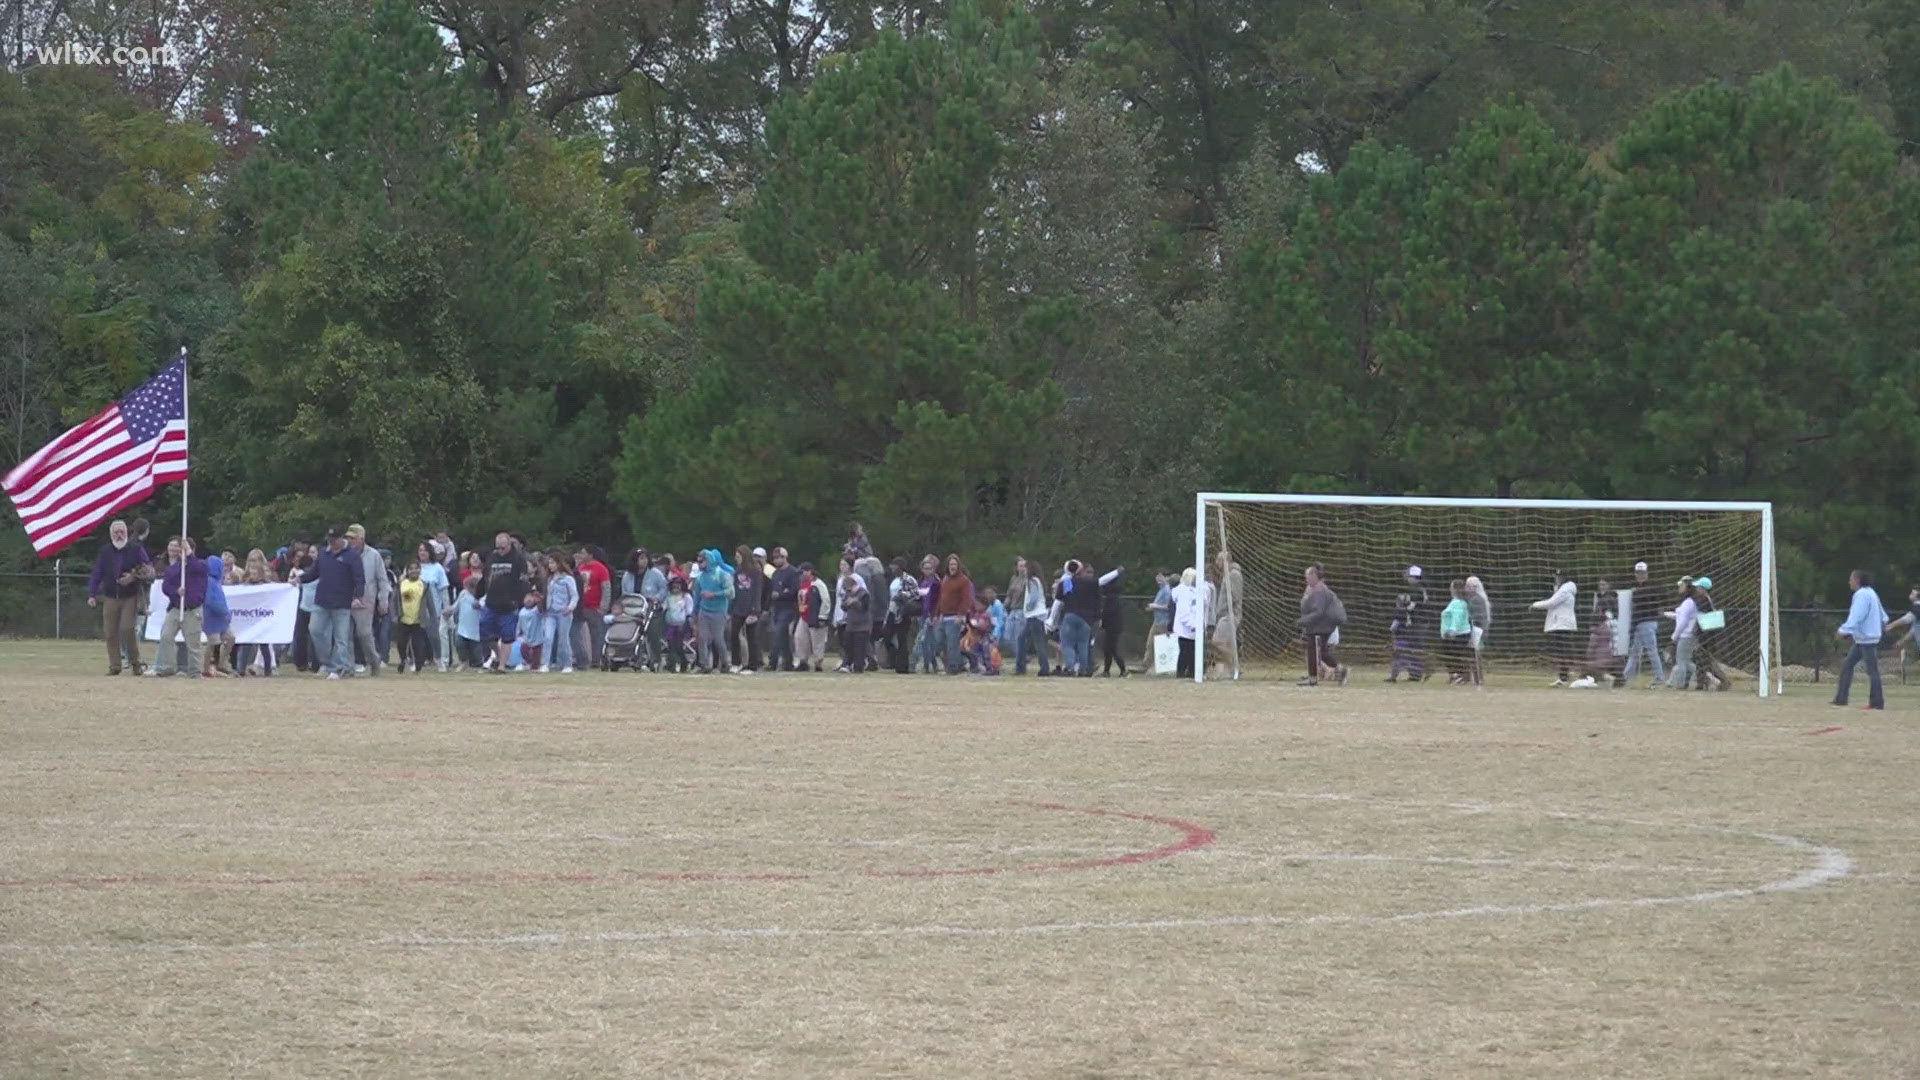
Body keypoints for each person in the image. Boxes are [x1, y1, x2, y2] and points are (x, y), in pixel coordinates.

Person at [87, 519, 150, 676]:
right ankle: (115, 665)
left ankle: (136, 663)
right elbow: (97, 573)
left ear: (126, 533)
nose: (119, 535)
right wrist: (92, 594)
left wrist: (133, 576)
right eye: (116, 532)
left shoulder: (135, 549)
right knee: (110, 632)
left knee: (127, 629)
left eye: (122, 531)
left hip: (130, 595)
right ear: (111, 534)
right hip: (110, 596)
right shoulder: (105, 551)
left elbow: (148, 569)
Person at [149, 537, 208, 678]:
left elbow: (197, 570)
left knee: (193, 644)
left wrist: (189, 555)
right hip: (175, 608)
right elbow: (166, 587)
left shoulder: (201, 565)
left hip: (193, 610)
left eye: (185, 550)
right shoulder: (174, 569)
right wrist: (176, 591)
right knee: (166, 636)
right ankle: (166, 667)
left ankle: (194, 672)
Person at [307, 531, 362, 679]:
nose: (331, 543)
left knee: (341, 638)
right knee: (315, 630)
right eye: (329, 540)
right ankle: (327, 662)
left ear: (341, 539)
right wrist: (299, 579)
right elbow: (314, 573)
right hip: (322, 601)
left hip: (342, 603)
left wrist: (357, 596)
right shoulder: (323, 554)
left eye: (334, 540)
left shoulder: (352, 555)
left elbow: (359, 578)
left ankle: (338, 668)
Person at [1832, 569, 1888, 710]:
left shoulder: (1861, 595)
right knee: (1848, 666)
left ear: (1857, 580)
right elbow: (1883, 614)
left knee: (1871, 670)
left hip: (1866, 638)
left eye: (1851, 579)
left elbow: (1857, 615)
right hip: (1864, 638)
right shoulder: (1871, 593)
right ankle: (1841, 698)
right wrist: (1883, 623)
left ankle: (1876, 702)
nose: (1849, 582)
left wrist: (1843, 630)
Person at [342, 525, 388, 676]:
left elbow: (382, 580)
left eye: (353, 538)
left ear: (362, 538)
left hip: (366, 601)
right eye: (348, 538)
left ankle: (374, 661)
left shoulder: (374, 555)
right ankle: (348, 667)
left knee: (364, 634)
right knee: (345, 635)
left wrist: (383, 601)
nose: (350, 541)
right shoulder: (343, 554)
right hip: (345, 599)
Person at [482, 531, 528, 675]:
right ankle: (498, 655)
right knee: (485, 631)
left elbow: (523, 581)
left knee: (507, 636)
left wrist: (518, 598)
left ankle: (502, 666)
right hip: (491, 601)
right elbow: (486, 577)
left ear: (509, 545)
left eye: (503, 547)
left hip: (509, 603)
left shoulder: (518, 559)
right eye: (498, 547)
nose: (500, 551)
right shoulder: (492, 557)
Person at [1298, 564, 1348, 686]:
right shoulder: (1313, 589)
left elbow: (1318, 611)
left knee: (1316, 653)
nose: (1307, 579)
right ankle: (1337, 671)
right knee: (1318, 652)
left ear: (1315, 576)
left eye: (1309, 576)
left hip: (1320, 627)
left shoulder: (1320, 590)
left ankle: (1315, 678)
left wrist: (1303, 621)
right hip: (1315, 626)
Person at [1620, 560, 1666, 688]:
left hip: (1647, 623)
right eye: (1638, 573)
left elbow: (1649, 602)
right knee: (1635, 652)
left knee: (1651, 651)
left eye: (1642, 573)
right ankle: (1626, 677)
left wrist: (1635, 593)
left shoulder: (1647, 588)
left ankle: (1659, 678)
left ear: (1646, 573)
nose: (1640, 575)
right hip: (1640, 624)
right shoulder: (1637, 589)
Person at [1530, 571, 1579, 687]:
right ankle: (1564, 676)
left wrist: (1534, 605)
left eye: (1559, 577)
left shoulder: (1565, 590)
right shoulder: (1561, 589)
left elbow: (1551, 603)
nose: (1557, 579)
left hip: (1562, 625)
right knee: (1561, 651)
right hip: (1560, 624)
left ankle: (1565, 676)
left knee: (1563, 652)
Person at [235, 549, 278, 676]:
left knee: (264, 643)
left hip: (262, 615)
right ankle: (240, 669)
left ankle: (268, 669)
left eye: (256, 560)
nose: (254, 563)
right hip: (248, 616)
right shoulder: (244, 577)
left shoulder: (267, 579)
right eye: (251, 560)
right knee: (245, 642)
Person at [693, 548, 735, 674]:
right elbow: (696, 597)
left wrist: (714, 594)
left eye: (702, 561)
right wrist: (694, 613)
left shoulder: (721, 574)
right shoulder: (699, 578)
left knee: (718, 638)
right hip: (704, 611)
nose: (700, 564)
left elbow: (731, 592)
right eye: (698, 561)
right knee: (702, 638)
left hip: (718, 611)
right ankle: (704, 664)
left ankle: (726, 664)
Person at [1388, 565, 1429, 683]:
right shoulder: (1417, 589)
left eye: (1409, 576)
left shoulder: (1417, 590)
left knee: (1415, 649)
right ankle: (1415, 673)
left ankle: (1418, 673)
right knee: (1412, 649)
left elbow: (1411, 607)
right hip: (1415, 623)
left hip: (1418, 624)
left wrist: (1403, 607)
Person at [728, 544, 765, 673]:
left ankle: (753, 665)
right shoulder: (737, 571)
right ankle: (736, 662)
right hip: (738, 607)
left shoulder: (755, 571)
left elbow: (757, 591)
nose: (736, 558)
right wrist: (730, 608)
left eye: (738, 556)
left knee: (751, 637)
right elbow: (734, 591)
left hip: (751, 608)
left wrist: (755, 610)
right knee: (733, 635)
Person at [935, 554, 974, 675]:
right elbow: (940, 598)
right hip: (944, 616)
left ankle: (953, 668)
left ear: (958, 566)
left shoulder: (963, 581)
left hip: (954, 617)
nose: (952, 567)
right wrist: (937, 613)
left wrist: (961, 614)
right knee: (939, 642)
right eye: (951, 564)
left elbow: (966, 598)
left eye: (954, 564)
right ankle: (959, 663)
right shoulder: (945, 579)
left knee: (953, 644)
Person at [1011, 558, 1050, 676]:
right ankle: (1021, 667)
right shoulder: (1038, 581)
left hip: (1034, 616)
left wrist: (1027, 607)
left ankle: (1042, 668)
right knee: (1024, 639)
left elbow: (1033, 598)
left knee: (1037, 643)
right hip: (1036, 616)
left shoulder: (1032, 581)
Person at [1663, 577, 1701, 691]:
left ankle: (1680, 685)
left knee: (1681, 661)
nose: (1679, 588)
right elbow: (1679, 616)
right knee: (1686, 661)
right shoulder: (1689, 602)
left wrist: (1675, 636)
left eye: (1681, 585)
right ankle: (1703, 677)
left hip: (1686, 636)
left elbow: (1683, 622)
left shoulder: (1688, 603)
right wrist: (1665, 614)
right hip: (1689, 636)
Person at [793, 562, 831, 672]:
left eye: (803, 572)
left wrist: (822, 616)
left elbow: (826, 601)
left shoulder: (818, 584)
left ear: (810, 572)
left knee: (817, 641)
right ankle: (803, 661)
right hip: (804, 615)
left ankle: (818, 663)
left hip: (815, 615)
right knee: (800, 638)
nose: (801, 575)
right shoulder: (802, 585)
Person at [394, 561, 432, 673]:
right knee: (401, 643)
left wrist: (432, 616)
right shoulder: (402, 584)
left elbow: (429, 603)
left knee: (418, 644)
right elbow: (395, 600)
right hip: (404, 618)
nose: (414, 571)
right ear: (407, 571)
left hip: (418, 620)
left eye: (416, 568)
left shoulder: (424, 585)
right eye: (411, 569)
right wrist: (395, 615)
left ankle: (418, 664)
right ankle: (403, 660)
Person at [1211, 550, 1244, 678]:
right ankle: (1230, 671)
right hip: (1224, 614)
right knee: (1225, 643)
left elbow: (1235, 595)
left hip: (1229, 614)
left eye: (1219, 560)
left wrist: (1226, 609)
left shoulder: (1234, 574)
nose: (1216, 563)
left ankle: (1234, 665)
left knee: (1217, 642)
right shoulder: (1227, 574)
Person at [836, 555, 872, 673]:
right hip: (850, 624)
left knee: (859, 647)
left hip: (862, 625)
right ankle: (846, 664)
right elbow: (843, 606)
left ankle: (859, 666)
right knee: (848, 645)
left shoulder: (863, 594)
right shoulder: (848, 593)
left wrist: (855, 602)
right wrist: (847, 603)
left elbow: (865, 608)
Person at [201, 552, 234, 677]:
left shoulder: (217, 582)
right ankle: (205, 668)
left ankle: (222, 663)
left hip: (221, 619)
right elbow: (210, 601)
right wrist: (224, 612)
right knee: (213, 642)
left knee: (230, 638)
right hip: (211, 618)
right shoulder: (208, 582)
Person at [886, 558, 918, 674]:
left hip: (903, 611)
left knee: (902, 638)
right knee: (887, 636)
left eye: (894, 566)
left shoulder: (908, 579)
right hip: (892, 610)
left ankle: (902, 666)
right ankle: (893, 660)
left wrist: (903, 595)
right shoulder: (894, 580)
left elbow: (916, 593)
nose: (892, 568)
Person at [1171, 568, 1204, 679]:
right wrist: (1194, 625)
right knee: (1185, 654)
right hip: (1186, 630)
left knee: (1193, 655)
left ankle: (1191, 674)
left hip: (1194, 630)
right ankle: (1180, 674)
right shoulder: (1184, 592)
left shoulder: (1195, 591)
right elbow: (1184, 614)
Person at [448, 573, 484, 670]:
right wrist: (450, 610)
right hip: (462, 627)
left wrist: (478, 603)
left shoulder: (483, 597)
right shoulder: (463, 594)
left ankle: (478, 664)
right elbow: (456, 606)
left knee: (476, 648)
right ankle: (464, 662)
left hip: (476, 629)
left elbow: (480, 606)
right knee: (459, 644)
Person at [1439, 579, 1473, 684]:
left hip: (1458, 634)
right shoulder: (1456, 602)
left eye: (1451, 587)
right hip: (1452, 634)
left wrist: (1453, 630)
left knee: (1455, 656)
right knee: (1449, 655)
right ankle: (1456, 675)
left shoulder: (1458, 603)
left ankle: (1462, 675)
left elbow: (1457, 617)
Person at [1099, 568, 1129, 677]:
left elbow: (1108, 613)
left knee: (1111, 649)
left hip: (1112, 626)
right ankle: (1108, 670)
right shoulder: (1114, 598)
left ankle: (1122, 670)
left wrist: (1101, 619)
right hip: (1114, 626)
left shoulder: (1111, 598)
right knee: (1109, 649)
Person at [661, 576, 693, 672]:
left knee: (678, 645)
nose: (676, 588)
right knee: (671, 645)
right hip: (670, 624)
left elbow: (689, 611)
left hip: (681, 624)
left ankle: (684, 662)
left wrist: (688, 622)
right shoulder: (668, 597)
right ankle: (671, 665)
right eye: (674, 586)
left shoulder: (686, 597)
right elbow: (664, 607)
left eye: (678, 586)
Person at [1465, 575, 1491, 687]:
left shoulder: (1476, 599)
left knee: (1475, 654)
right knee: (1473, 654)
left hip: (1477, 630)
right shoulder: (1476, 599)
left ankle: (1478, 679)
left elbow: (1477, 616)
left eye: (1468, 586)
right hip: (1478, 629)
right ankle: (1476, 678)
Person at [1144, 570, 1172, 669]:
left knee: (1162, 646)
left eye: (1161, 576)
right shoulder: (1161, 590)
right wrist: (1152, 608)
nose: (1158, 578)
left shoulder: (1167, 590)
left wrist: (1155, 606)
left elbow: (1168, 607)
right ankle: (1146, 666)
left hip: (1163, 622)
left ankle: (1165, 667)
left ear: (1167, 577)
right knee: (1150, 644)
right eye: (1157, 576)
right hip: (1157, 621)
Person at [517, 588, 548, 672]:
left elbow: (540, 609)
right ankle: (527, 663)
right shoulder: (521, 612)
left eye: (531, 598)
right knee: (524, 650)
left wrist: (540, 600)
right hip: (526, 638)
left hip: (537, 638)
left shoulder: (536, 611)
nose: (529, 600)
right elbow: (519, 624)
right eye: (527, 598)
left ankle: (536, 665)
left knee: (536, 653)